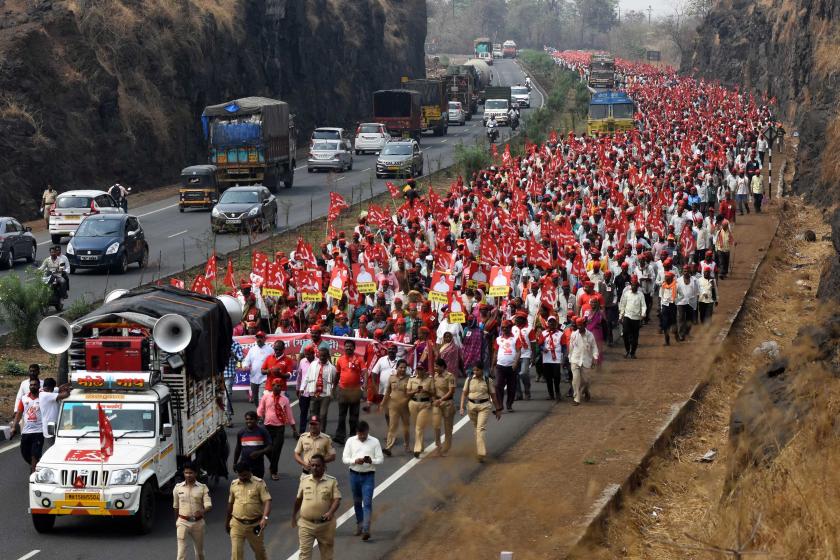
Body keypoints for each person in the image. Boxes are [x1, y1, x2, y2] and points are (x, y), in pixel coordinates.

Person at [292, 454, 341, 560]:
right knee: (304, 555)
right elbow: (298, 500)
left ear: (324, 467)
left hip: (326, 526)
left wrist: (330, 512)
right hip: (306, 524)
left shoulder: (332, 481)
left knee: (327, 556)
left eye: (318, 465)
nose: (314, 468)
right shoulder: (304, 480)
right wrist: (293, 516)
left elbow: (337, 499)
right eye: (312, 465)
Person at [341, 420, 384, 540]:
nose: (362, 436)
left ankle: (366, 528)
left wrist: (372, 461)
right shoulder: (350, 441)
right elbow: (345, 458)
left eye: (364, 434)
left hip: (368, 476)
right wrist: (355, 461)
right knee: (357, 502)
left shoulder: (375, 441)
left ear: (367, 431)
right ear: (357, 432)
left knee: (367, 502)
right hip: (354, 474)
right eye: (360, 434)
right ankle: (359, 524)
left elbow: (380, 459)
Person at [226, 462, 271, 560]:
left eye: (245, 475)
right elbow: (230, 503)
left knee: (260, 552)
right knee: (236, 554)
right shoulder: (234, 484)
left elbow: (267, 501)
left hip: (255, 525)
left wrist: (265, 518)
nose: (242, 477)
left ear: (250, 471)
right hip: (237, 524)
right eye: (240, 475)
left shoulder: (259, 483)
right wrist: (227, 521)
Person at [459, 364, 502, 462]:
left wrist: (498, 410)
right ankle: (480, 447)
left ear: (482, 370)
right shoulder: (469, 380)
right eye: (474, 370)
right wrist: (461, 407)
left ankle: (481, 452)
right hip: (471, 406)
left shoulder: (488, 381)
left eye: (477, 370)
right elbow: (464, 394)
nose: (475, 372)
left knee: (480, 428)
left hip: (484, 406)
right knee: (476, 428)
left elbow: (494, 396)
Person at [257, 380, 298, 480]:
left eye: (279, 386)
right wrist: (259, 417)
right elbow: (260, 409)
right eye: (275, 386)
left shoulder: (285, 400)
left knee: (276, 450)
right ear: (272, 387)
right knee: (267, 449)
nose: (277, 388)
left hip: (280, 428)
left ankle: (274, 471)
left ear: (281, 388)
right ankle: (273, 465)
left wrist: (294, 430)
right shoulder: (266, 397)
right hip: (267, 427)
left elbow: (289, 415)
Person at [173, 461, 212, 560]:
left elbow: (208, 504)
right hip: (182, 522)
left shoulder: (203, 488)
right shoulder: (177, 488)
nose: (188, 475)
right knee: (181, 554)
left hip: (198, 523)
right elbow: (176, 506)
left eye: (191, 473)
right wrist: (177, 521)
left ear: (196, 473)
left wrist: (203, 511)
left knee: (199, 553)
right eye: (186, 473)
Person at [10, 378, 47, 472]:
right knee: (25, 453)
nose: (33, 386)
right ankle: (36, 465)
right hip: (26, 431)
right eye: (31, 385)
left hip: (39, 431)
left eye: (35, 385)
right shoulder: (24, 398)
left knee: (35, 453)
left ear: (39, 386)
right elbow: (19, 413)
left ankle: (33, 470)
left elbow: (55, 391)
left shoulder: (43, 397)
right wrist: (14, 427)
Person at [334, 339, 365, 445]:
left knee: (354, 416)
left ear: (354, 348)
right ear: (344, 347)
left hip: (355, 391)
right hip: (343, 390)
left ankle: (353, 437)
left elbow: (365, 372)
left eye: (350, 346)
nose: (348, 348)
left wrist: (364, 385)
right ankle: (340, 437)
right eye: (346, 346)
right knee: (341, 416)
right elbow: (337, 374)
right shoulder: (340, 360)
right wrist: (334, 387)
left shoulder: (359, 359)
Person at [380, 359, 411, 456]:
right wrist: (382, 403)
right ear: (396, 367)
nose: (403, 369)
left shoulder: (410, 379)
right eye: (401, 367)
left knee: (406, 427)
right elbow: (388, 392)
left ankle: (406, 445)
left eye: (404, 368)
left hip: (405, 406)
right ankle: (389, 447)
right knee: (392, 427)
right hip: (393, 405)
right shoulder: (391, 378)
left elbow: (411, 393)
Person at [301, 347, 337, 428]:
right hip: (314, 394)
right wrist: (302, 388)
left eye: (324, 356)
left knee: (322, 414)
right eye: (320, 356)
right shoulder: (313, 364)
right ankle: (313, 430)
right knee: (313, 414)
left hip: (325, 395)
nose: (322, 358)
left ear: (328, 356)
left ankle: (322, 432)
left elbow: (334, 382)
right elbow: (307, 376)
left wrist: (333, 393)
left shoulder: (332, 368)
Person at [568, 317, 598, 406]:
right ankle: (576, 398)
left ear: (585, 325)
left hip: (586, 360)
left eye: (581, 325)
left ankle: (586, 390)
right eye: (578, 326)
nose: (579, 327)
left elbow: (594, 347)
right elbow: (571, 347)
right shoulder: (574, 335)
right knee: (575, 380)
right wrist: (570, 358)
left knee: (586, 381)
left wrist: (595, 357)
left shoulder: (590, 335)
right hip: (575, 359)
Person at [233, 411, 271, 480]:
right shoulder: (241, 433)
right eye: (247, 419)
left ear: (256, 420)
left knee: (257, 485)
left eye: (251, 419)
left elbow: (269, 446)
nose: (249, 421)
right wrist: (235, 463)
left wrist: (259, 452)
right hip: (244, 465)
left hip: (258, 466)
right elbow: (238, 448)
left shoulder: (263, 431)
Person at [406, 365, 434, 458]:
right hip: (413, 403)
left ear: (424, 370)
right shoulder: (412, 379)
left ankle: (417, 449)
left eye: (421, 369)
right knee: (417, 426)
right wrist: (415, 391)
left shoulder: (429, 379)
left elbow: (433, 393)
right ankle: (421, 446)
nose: (419, 371)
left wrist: (426, 391)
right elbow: (407, 393)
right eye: (418, 369)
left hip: (425, 404)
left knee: (419, 426)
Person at [431, 358, 457, 456]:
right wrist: (434, 399)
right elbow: (433, 389)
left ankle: (446, 448)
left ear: (442, 367)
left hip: (447, 403)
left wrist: (441, 400)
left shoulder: (450, 376)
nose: (435, 368)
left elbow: (451, 391)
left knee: (448, 428)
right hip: (437, 403)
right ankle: (438, 447)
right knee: (436, 425)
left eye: (436, 366)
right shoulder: (435, 376)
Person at [492, 320, 519, 412]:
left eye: (506, 327)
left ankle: (509, 404)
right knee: (498, 385)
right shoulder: (498, 339)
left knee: (512, 387)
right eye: (502, 327)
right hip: (500, 366)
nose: (504, 329)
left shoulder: (515, 339)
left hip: (512, 367)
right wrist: (492, 366)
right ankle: (500, 405)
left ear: (510, 328)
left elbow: (518, 351)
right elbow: (495, 353)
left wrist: (515, 362)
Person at [618, 276, 646, 359]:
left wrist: (642, 315)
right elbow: (622, 305)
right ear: (630, 285)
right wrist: (620, 316)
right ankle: (627, 351)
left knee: (635, 337)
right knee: (625, 334)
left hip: (636, 319)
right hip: (627, 317)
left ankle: (633, 352)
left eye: (635, 285)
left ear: (637, 286)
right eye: (632, 285)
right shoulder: (626, 294)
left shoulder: (640, 295)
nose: (633, 287)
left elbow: (644, 306)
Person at [38, 378, 71, 451]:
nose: (54, 389)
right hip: (50, 429)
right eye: (53, 388)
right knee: (53, 450)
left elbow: (59, 388)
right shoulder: (45, 395)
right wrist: (68, 390)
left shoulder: (47, 391)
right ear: (49, 388)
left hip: (57, 427)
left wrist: (70, 383)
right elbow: (66, 394)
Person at [241, 332, 273, 404]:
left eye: (261, 337)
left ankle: (262, 414)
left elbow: (274, 362)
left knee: (261, 398)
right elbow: (247, 360)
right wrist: (245, 366)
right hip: (254, 378)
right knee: (255, 399)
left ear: (264, 339)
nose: (259, 339)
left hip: (265, 378)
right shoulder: (252, 349)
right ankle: (260, 412)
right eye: (258, 337)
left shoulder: (270, 350)